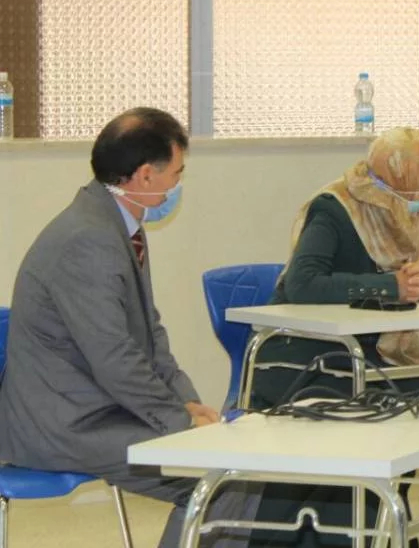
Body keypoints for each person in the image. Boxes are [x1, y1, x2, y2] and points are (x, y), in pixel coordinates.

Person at [0, 108, 260, 548]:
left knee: (228, 473)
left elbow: (150, 335)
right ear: (145, 176)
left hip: (99, 409)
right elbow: (114, 357)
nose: (178, 183)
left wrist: (188, 402)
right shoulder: (88, 240)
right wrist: (179, 420)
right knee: (222, 480)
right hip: (66, 425)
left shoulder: (115, 224)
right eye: (177, 173)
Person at [248, 127, 419, 547]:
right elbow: (302, 284)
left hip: (365, 354)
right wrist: (390, 286)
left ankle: (384, 527)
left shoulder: (409, 211)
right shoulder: (335, 207)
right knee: (381, 412)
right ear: (402, 175)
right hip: (306, 355)